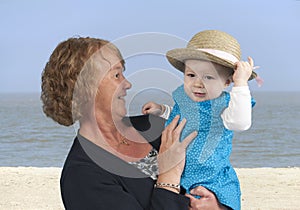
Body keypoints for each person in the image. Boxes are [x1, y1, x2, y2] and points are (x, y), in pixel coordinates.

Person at [40, 37, 227, 209]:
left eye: (123, 73)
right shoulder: (81, 177)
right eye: (116, 75)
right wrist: (168, 176)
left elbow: (213, 171)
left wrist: (219, 206)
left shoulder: (152, 124)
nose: (127, 83)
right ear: (85, 89)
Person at [143, 30, 259, 210]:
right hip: (176, 172)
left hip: (209, 179)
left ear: (227, 82)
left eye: (209, 77)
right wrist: (162, 110)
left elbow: (239, 122)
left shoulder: (224, 106)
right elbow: (180, 115)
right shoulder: (184, 96)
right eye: (191, 75)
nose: (198, 83)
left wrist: (241, 84)